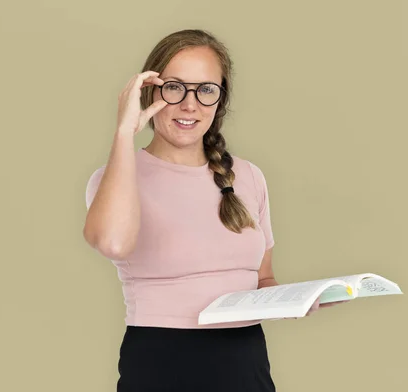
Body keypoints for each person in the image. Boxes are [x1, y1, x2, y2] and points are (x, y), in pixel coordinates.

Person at [82, 29, 338, 392]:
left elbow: (263, 280)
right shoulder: (116, 178)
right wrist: (124, 133)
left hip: (246, 362)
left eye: (206, 90)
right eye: (174, 87)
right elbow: (111, 242)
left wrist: (296, 300)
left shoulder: (248, 176)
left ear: (220, 99)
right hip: (161, 362)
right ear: (149, 93)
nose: (190, 105)